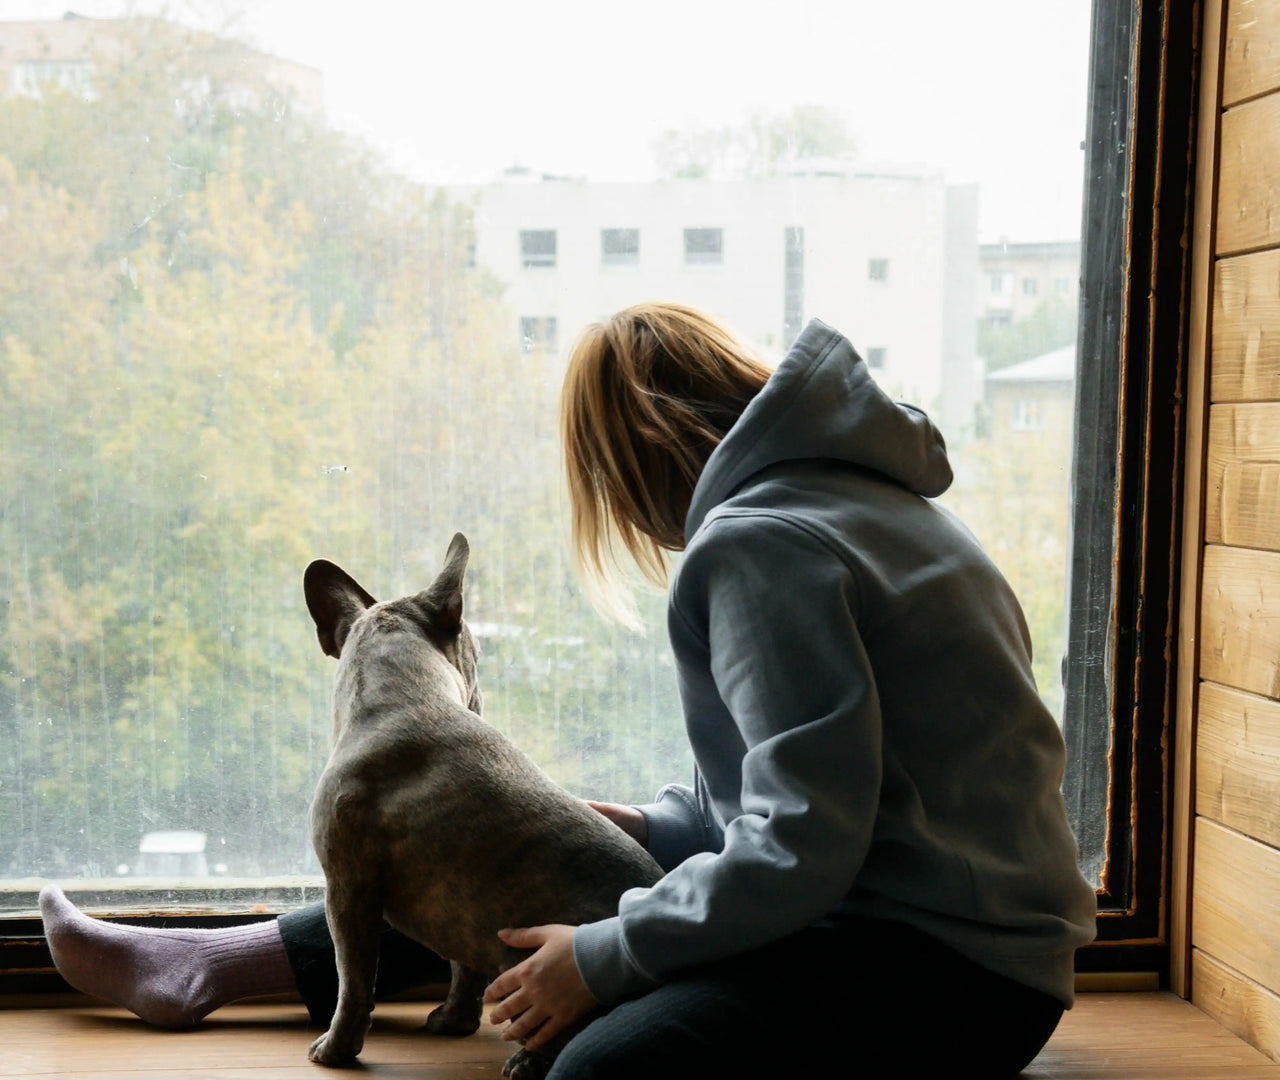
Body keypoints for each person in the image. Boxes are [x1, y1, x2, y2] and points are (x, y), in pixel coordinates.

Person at [41, 304, 1097, 1077]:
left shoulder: (762, 546)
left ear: (628, 461)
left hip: (932, 977)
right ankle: (213, 963)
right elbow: (842, 789)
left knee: (589, 1070)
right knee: (490, 852)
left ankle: (219, 966)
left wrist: (601, 960)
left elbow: (799, 844)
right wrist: (652, 823)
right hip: (939, 921)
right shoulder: (864, 500)